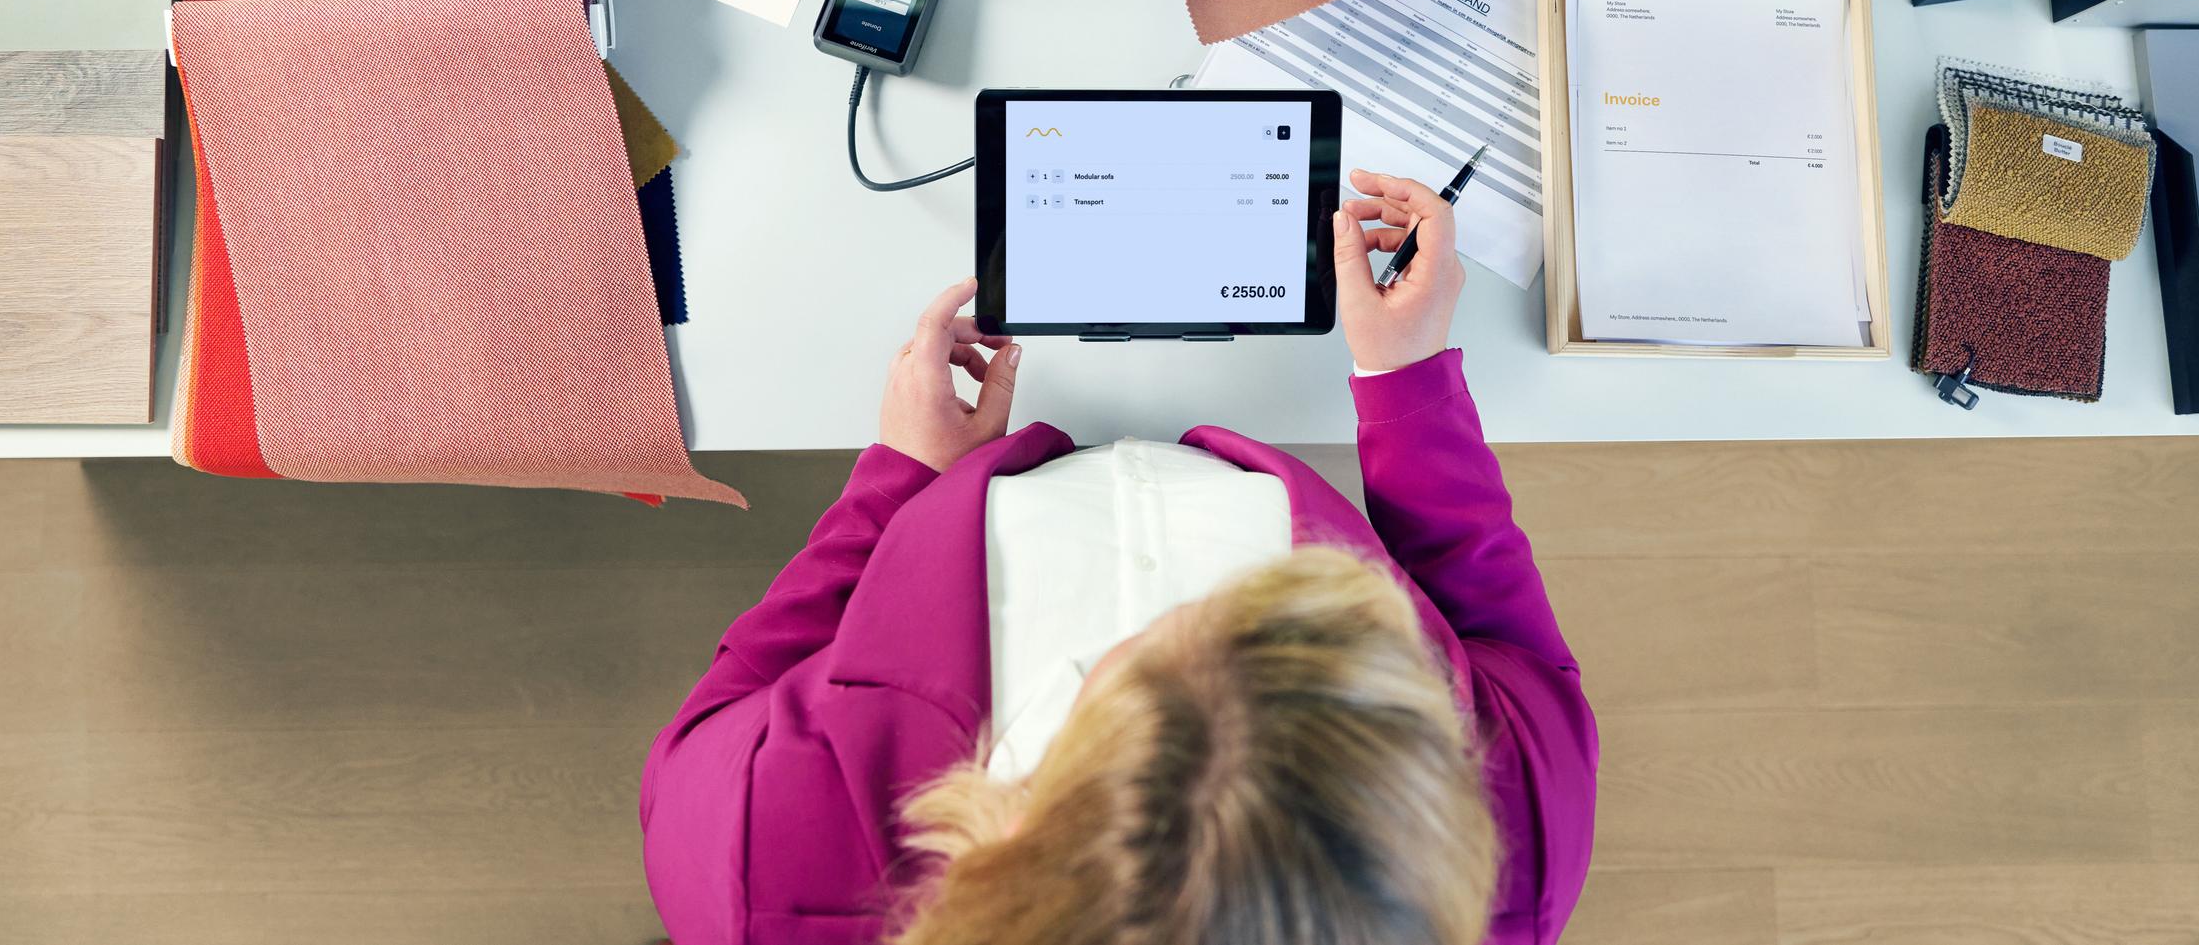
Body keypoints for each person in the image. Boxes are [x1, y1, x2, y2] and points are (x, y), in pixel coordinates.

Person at [640, 171, 1597, 944]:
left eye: (1146, 651)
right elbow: (1498, 633)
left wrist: (899, 478)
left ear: (1020, 827)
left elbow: (727, 704)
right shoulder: (1517, 847)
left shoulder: (751, 867)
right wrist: (1407, 378)